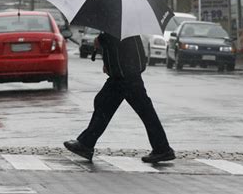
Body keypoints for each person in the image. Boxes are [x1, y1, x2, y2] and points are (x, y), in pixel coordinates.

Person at [64, 32, 175, 163]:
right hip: (124, 74)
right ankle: (86, 143)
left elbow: (116, 41)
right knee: (105, 104)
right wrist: (108, 62)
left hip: (125, 76)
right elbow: (117, 47)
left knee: (141, 111)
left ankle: (162, 148)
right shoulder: (123, 25)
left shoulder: (117, 26)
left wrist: (101, 39)